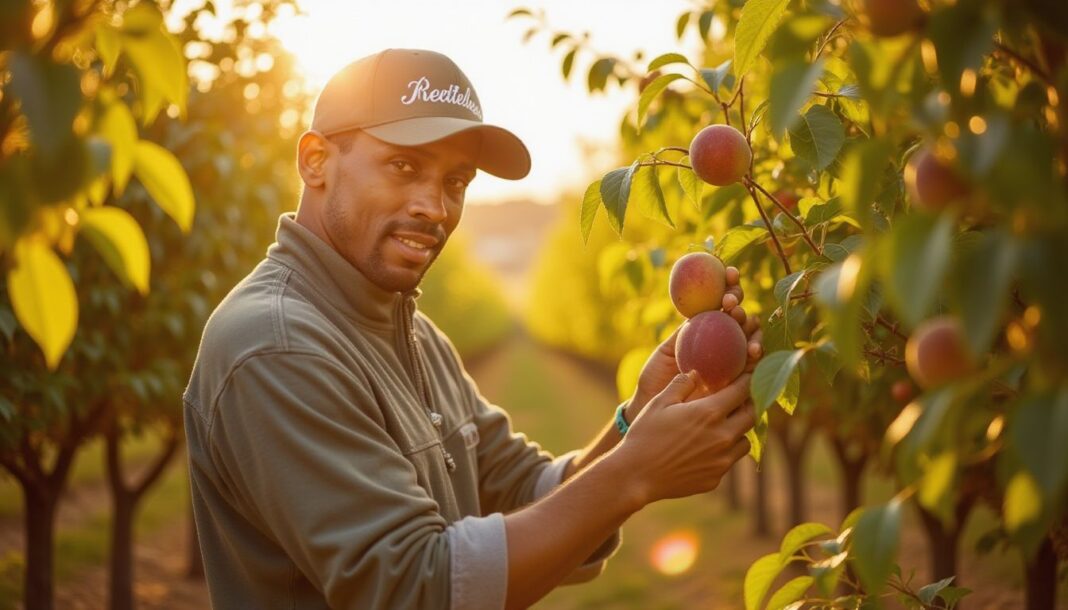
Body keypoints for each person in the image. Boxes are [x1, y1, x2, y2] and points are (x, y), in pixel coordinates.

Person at [183, 48, 762, 610]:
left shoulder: (412, 333)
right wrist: (635, 473)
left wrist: (634, 420)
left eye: (456, 182)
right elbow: (415, 588)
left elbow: (527, 489)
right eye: (403, 166)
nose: (435, 207)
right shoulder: (276, 345)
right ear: (315, 162)